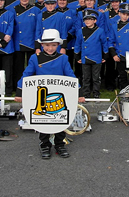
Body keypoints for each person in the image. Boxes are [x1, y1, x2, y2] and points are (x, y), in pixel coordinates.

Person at [15, 29, 85, 159]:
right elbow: (27, 75)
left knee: (60, 119)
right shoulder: (34, 58)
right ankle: (44, 145)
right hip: (41, 96)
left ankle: (60, 144)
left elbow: (70, 75)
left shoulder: (63, 58)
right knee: (43, 121)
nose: (50, 48)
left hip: (60, 94)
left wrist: (79, 93)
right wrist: (20, 92)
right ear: (42, 45)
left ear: (58, 45)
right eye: (47, 45)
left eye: (53, 45)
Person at [74, 9, 108, 99]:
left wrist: (105, 55)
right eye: (86, 20)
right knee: (86, 78)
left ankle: (96, 93)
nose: (87, 21)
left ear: (95, 20)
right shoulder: (80, 31)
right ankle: (86, 93)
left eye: (90, 19)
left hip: (97, 58)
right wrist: (77, 56)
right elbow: (77, 44)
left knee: (96, 78)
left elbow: (104, 43)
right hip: (85, 58)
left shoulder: (100, 31)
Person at [12, 0, 41, 90]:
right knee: (18, 67)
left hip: (31, 42)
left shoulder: (36, 10)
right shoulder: (13, 9)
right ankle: (18, 87)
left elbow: (38, 27)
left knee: (32, 66)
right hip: (18, 42)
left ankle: (32, 87)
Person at [109, 3, 129, 89]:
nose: (125, 16)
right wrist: (114, 55)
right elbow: (110, 42)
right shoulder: (114, 26)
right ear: (119, 13)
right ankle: (123, 93)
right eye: (123, 14)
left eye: (127, 14)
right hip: (120, 55)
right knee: (122, 76)